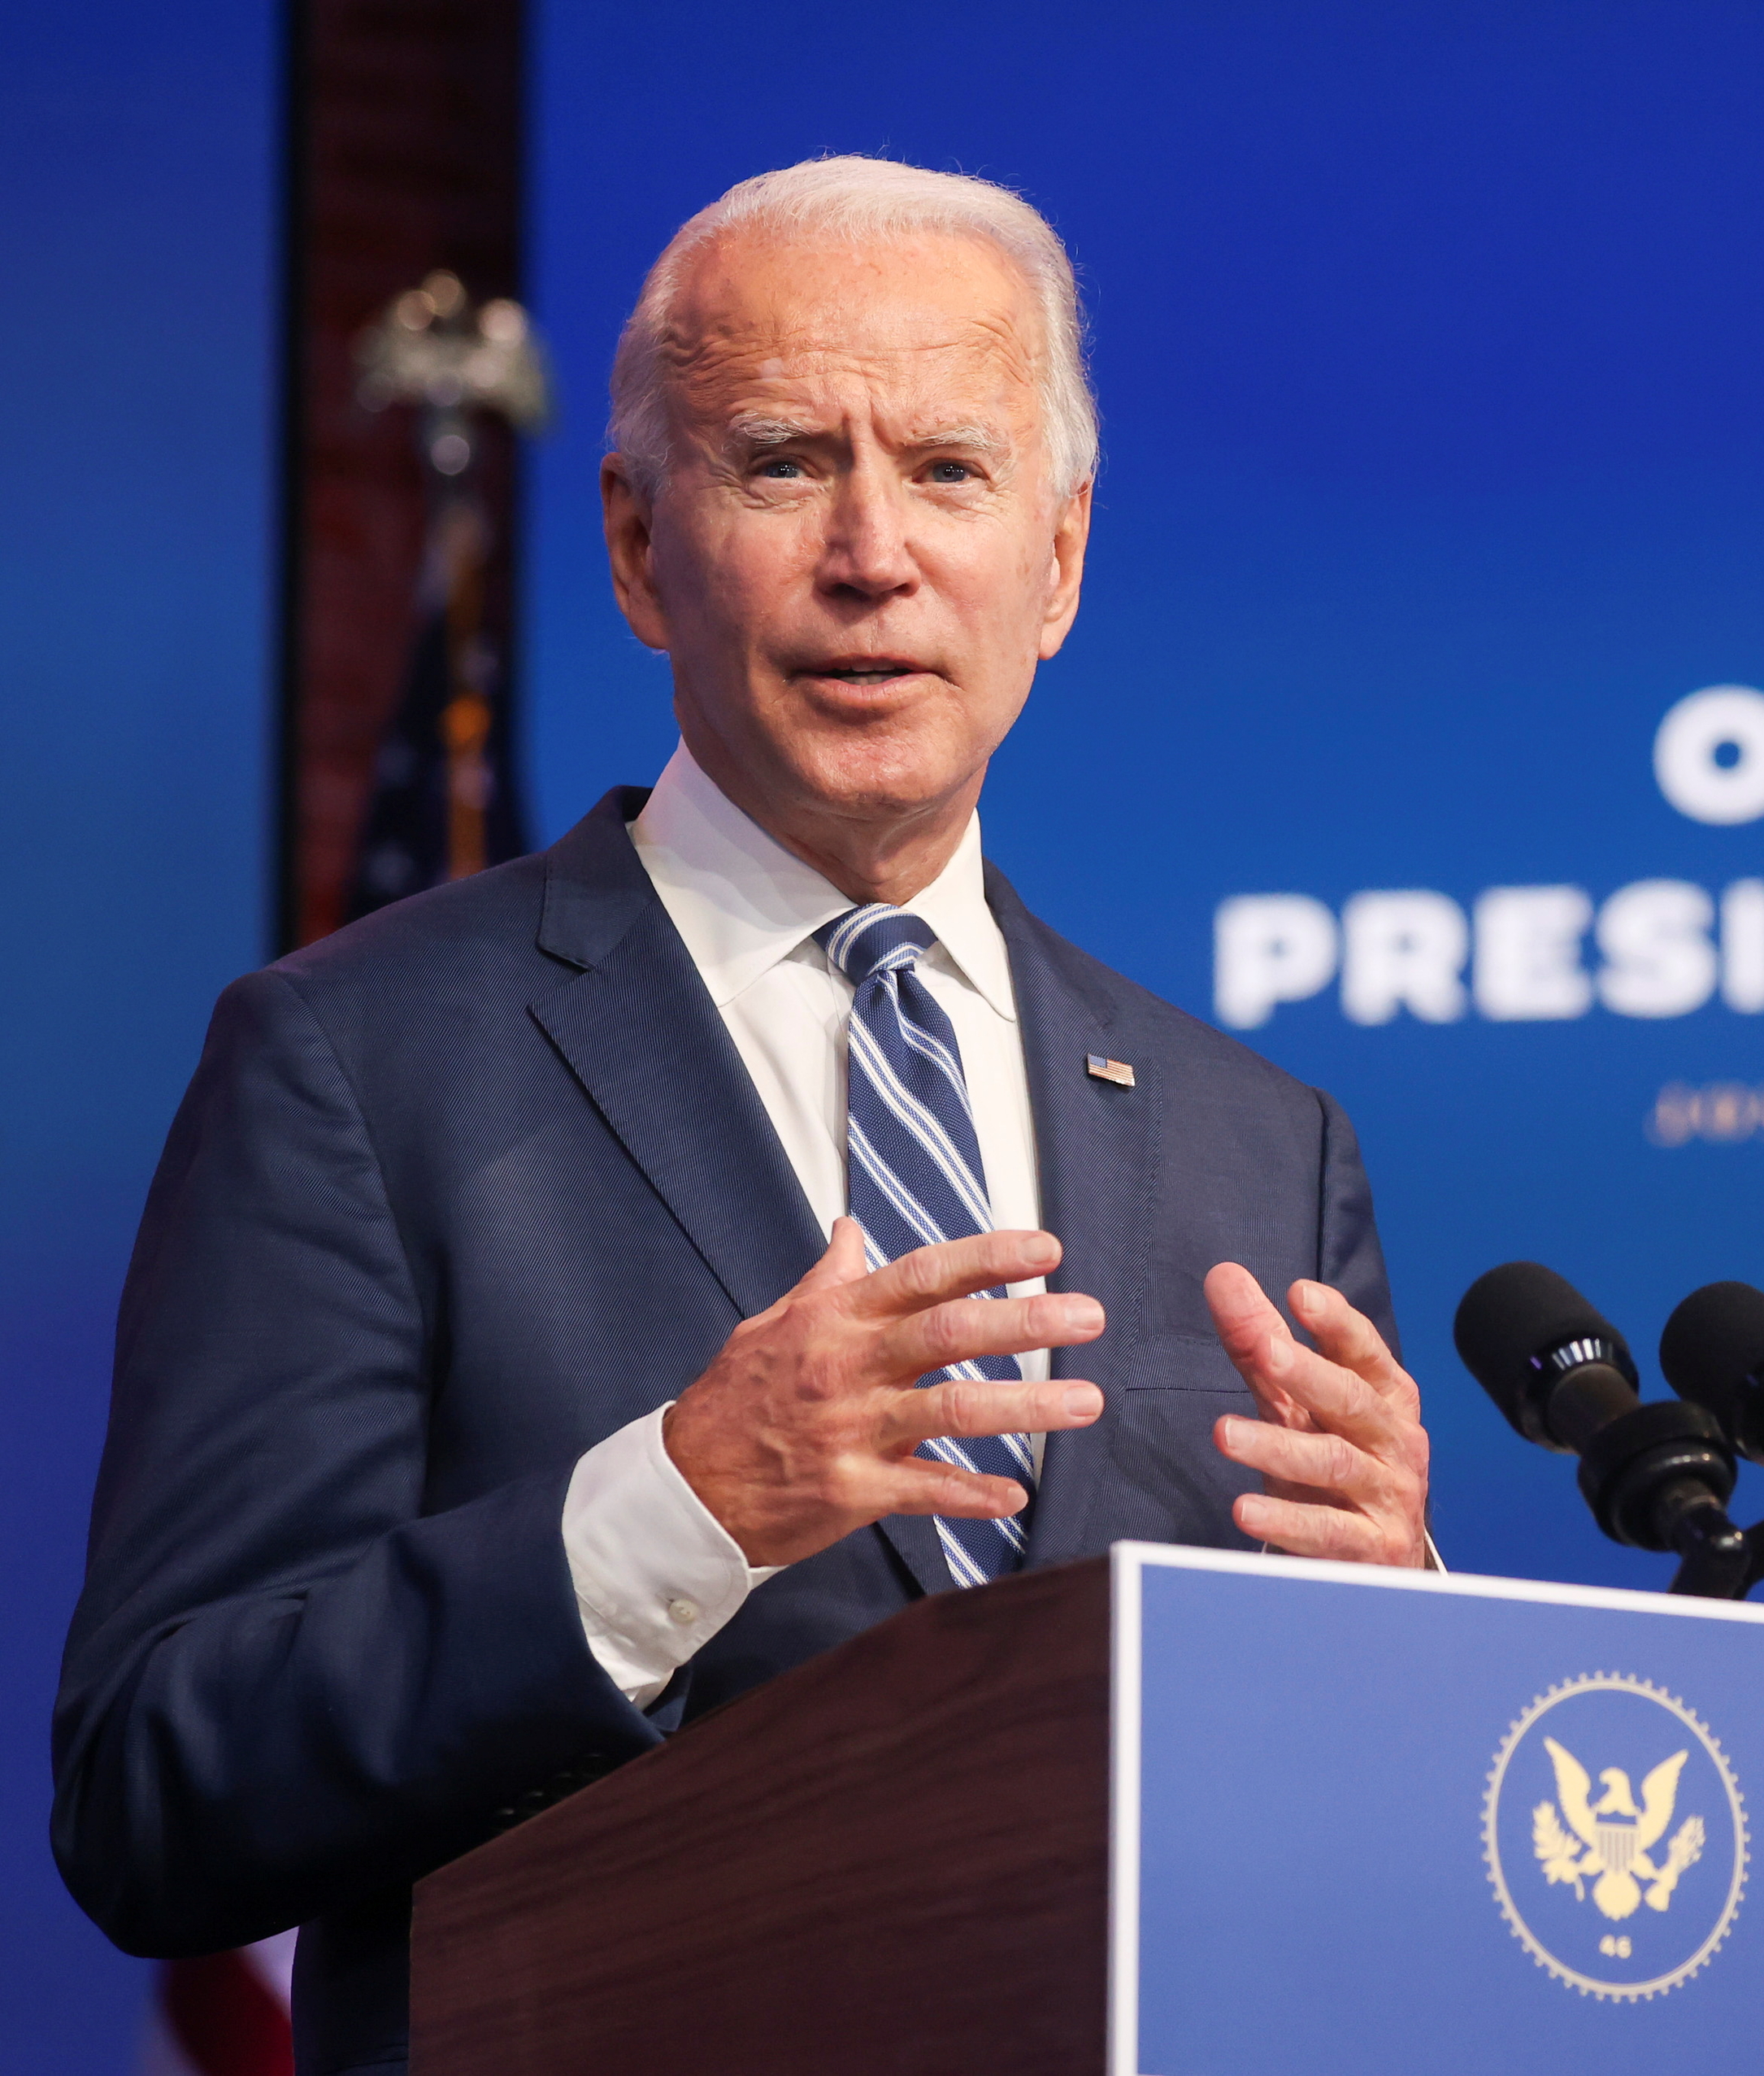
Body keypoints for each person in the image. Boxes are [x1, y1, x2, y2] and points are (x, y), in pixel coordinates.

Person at [52, 156, 1433, 2076]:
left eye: (950, 470)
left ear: (1057, 561)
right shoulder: (356, 1061)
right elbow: (158, 1786)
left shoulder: (1253, 1140)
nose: (873, 551)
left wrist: (1407, 1660)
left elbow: (1342, 1867)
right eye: (785, 462)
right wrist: (681, 1503)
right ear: (634, 548)